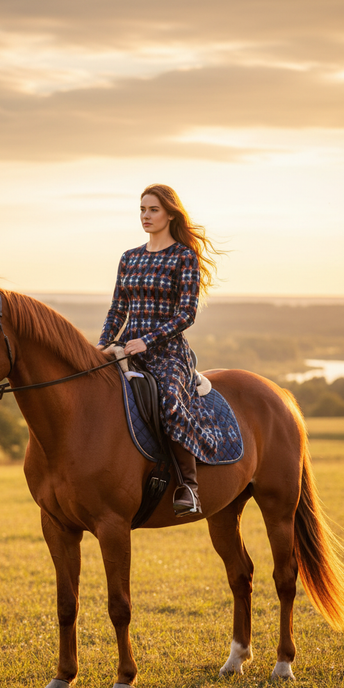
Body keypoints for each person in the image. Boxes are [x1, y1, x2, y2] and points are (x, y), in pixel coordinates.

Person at [98, 184, 222, 516]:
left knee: (168, 399)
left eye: (153, 210)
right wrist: (103, 345)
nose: (146, 216)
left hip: (167, 351)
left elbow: (187, 313)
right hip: (126, 348)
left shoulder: (183, 256)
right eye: (142, 209)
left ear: (170, 213)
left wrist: (147, 340)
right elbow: (117, 310)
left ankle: (189, 487)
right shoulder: (130, 257)